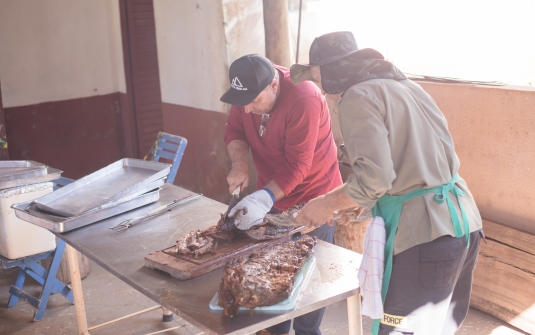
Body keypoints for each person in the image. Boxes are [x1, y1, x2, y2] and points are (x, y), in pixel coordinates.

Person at [290, 31, 484, 335]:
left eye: (319, 79)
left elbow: (375, 180)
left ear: (334, 71)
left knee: (400, 329)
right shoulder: (407, 86)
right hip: (464, 226)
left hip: (425, 237)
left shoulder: (355, 97)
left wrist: (326, 203)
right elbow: (410, 165)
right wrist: (356, 203)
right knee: (435, 328)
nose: (323, 91)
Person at [220, 54, 343, 335]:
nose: (248, 109)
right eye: (243, 102)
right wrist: (240, 165)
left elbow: (298, 165)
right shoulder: (245, 96)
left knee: (308, 285)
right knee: (271, 277)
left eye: (254, 101)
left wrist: (263, 197)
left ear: (274, 85)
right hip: (272, 195)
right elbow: (235, 129)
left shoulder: (305, 97)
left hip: (315, 197)